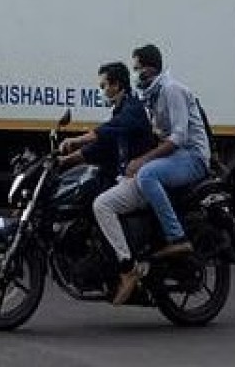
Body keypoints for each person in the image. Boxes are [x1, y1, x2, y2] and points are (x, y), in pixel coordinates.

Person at [58, 61, 156, 305]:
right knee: (89, 191)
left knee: (102, 205)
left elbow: (106, 131)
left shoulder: (132, 109)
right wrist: (64, 161)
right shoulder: (120, 109)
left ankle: (127, 266)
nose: (101, 90)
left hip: (139, 180)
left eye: (103, 85)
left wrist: (75, 140)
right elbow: (101, 148)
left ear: (116, 85)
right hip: (125, 178)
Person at [128, 44, 210, 259]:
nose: (136, 74)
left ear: (151, 69)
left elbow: (179, 137)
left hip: (193, 156)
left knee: (147, 174)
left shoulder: (171, 90)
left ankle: (177, 238)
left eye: (138, 69)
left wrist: (143, 160)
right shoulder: (151, 95)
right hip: (176, 156)